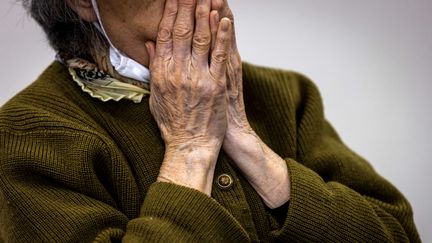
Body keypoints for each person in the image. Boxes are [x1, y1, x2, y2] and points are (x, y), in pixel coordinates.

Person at [0, 0, 420, 242]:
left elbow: (397, 233)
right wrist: (191, 149)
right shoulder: (27, 135)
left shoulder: (286, 94)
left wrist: (247, 145)